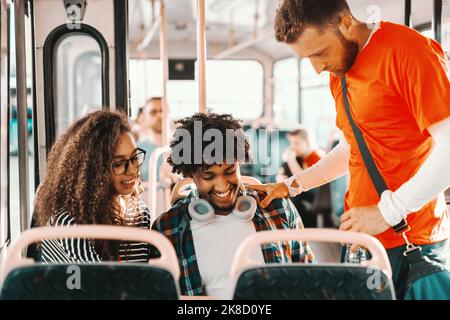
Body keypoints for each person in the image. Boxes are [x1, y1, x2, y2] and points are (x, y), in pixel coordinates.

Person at [249, 0, 450, 297]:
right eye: (308, 59)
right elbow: (352, 149)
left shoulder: (409, 51)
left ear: (344, 22)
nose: (317, 68)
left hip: (412, 238)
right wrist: (291, 185)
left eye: (319, 53)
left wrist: (387, 211)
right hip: (361, 234)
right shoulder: (340, 68)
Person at [151, 112, 314, 299]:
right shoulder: (168, 228)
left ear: (239, 163)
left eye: (229, 171)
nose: (222, 186)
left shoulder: (277, 208)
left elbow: (307, 278)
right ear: (191, 175)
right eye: (208, 176)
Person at [33, 110, 152, 263]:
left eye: (135, 158)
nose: (133, 170)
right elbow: (98, 284)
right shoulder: (67, 223)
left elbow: (141, 278)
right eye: (119, 164)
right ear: (94, 170)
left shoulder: (139, 213)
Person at [277, 128, 324, 227]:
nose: (293, 147)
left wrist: (291, 159)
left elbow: (303, 180)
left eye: (297, 143)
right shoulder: (301, 158)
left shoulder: (315, 157)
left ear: (307, 143)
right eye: (292, 143)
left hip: (314, 196)